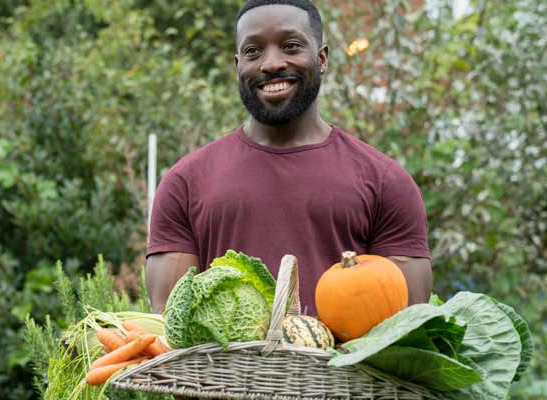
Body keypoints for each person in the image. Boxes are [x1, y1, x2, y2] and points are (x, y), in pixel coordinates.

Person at [146, 0, 433, 318]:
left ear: (321, 58)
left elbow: (408, 324)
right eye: (253, 51)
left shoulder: (385, 181)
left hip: (342, 370)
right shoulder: (185, 182)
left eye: (291, 46)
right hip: (225, 370)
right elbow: (168, 326)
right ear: (237, 65)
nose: (270, 63)